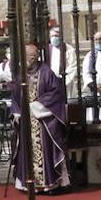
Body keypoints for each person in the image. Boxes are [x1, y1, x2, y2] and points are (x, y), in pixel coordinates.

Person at [9, 41, 69, 192]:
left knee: (46, 151)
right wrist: (16, 112)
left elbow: (56, 94)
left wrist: (35, 106)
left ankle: (49, 184)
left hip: (43, 120)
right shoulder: (20, 75)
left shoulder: (46, 73)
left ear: (34, 57)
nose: (24, 61)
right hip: (26, 121)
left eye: (28, 57)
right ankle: (28, 184)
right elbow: (15, 97)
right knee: (27, 151)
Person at [46, 26, 79, 99]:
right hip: (50, 84)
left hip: (66, 84)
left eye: (56, 36)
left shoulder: (69, 49)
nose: (54, 38)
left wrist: (63, 80)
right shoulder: (47, 49)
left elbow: (72, 66)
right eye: (52, 36)